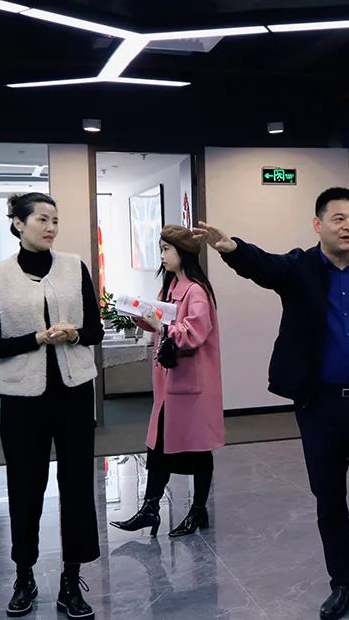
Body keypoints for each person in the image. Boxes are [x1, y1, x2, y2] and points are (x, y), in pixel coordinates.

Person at [193, 188, 349, 620]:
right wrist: (229, 247)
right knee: (330, 498)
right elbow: (263, 265)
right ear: (318, 225)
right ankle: (344, 584)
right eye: (339, 219)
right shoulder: (300, 268)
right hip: (320, 407)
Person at [0, 193, 102, 619]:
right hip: (21, 398)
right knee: (26, 487)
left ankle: (71, 579)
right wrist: (38, 338)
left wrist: (73, 334)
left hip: (73, 392)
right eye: (42, 220)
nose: (51, 228)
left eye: (55, 220)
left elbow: (94, 330)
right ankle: (24, 575)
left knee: (78, 486)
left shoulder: (74, 267)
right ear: (18, 223)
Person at [110, 225, 223, 539]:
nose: (161, 255)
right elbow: (164, 323)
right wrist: (141, 316)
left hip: (191, 386)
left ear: (182, 252)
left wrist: (160, 325)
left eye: (165, 249)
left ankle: (198, 510)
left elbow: (193, 333)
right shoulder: (172, 285)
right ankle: (150, 508)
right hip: (171, 385)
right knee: (158, 446)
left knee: (198, 449)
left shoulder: (196, 291)